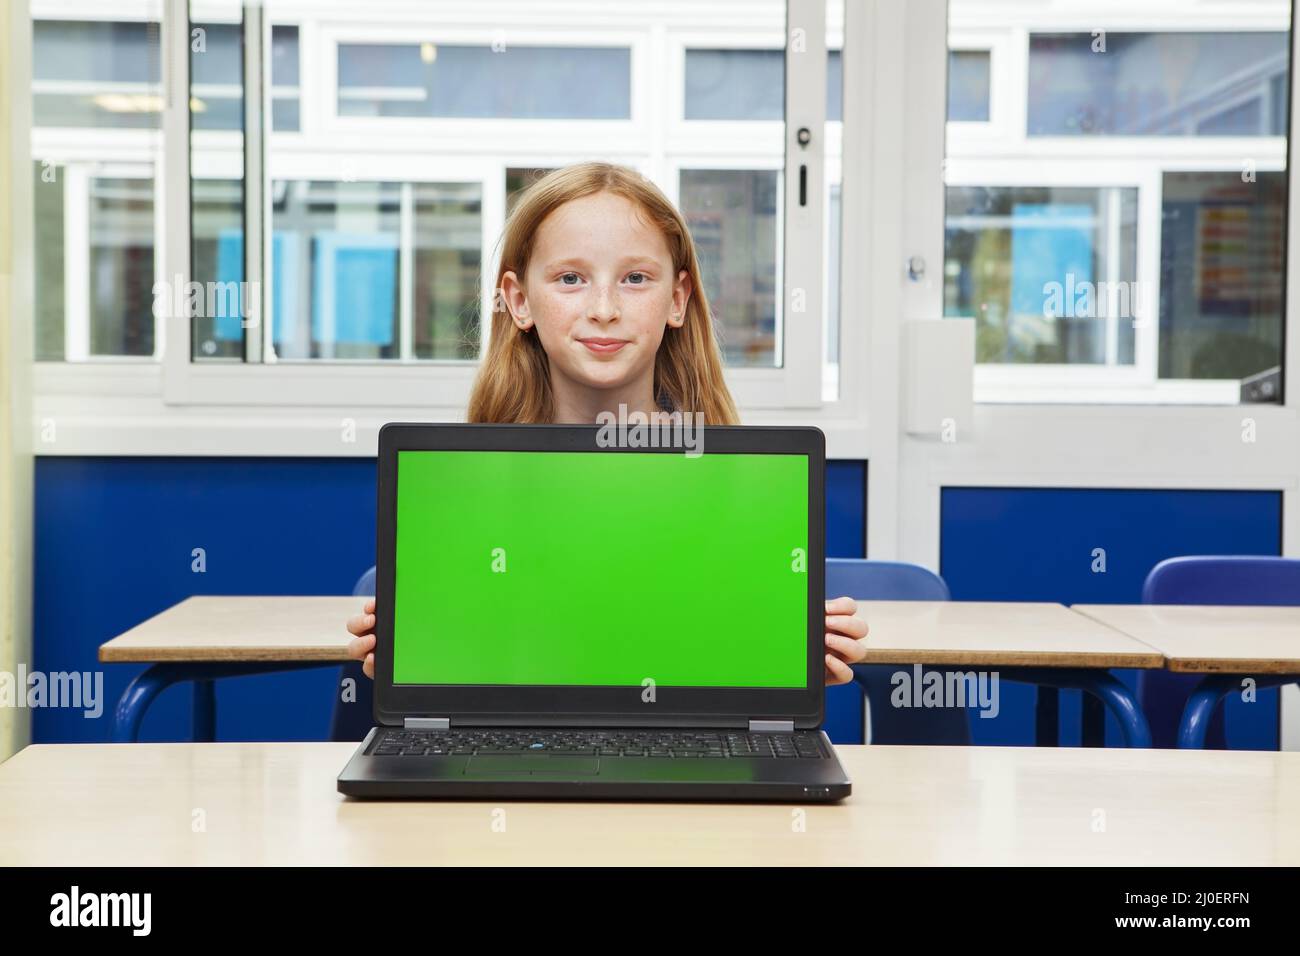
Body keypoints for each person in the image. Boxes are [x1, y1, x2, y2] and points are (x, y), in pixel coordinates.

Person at [346, 162, 868, 685]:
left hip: (681, 761)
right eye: (570, 278)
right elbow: (487, 668)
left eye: (635, 279)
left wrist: (785, 659)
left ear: (677, 299)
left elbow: (700, 664)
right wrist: (413, 656)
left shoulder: (739, 488)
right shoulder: (465, 489)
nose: (603, 308)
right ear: (519, 299)